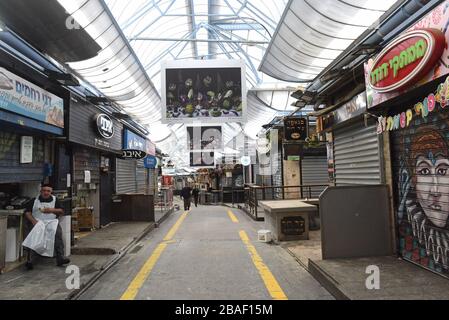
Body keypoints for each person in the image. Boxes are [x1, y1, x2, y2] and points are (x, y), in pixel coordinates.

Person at [24, 184, 70, 270]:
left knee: (57, 234)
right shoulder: (34, 200)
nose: (46, 192)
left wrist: (51, 210)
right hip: (37, 222)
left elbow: (61, 211)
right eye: (44, 190)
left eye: (48, 191)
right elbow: (27, 213)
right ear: (41, 191)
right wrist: (34, 221)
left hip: (51, 222)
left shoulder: (55, 200)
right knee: (33, 236)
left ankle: (60, 257)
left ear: (51, 192)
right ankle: (30, 260)